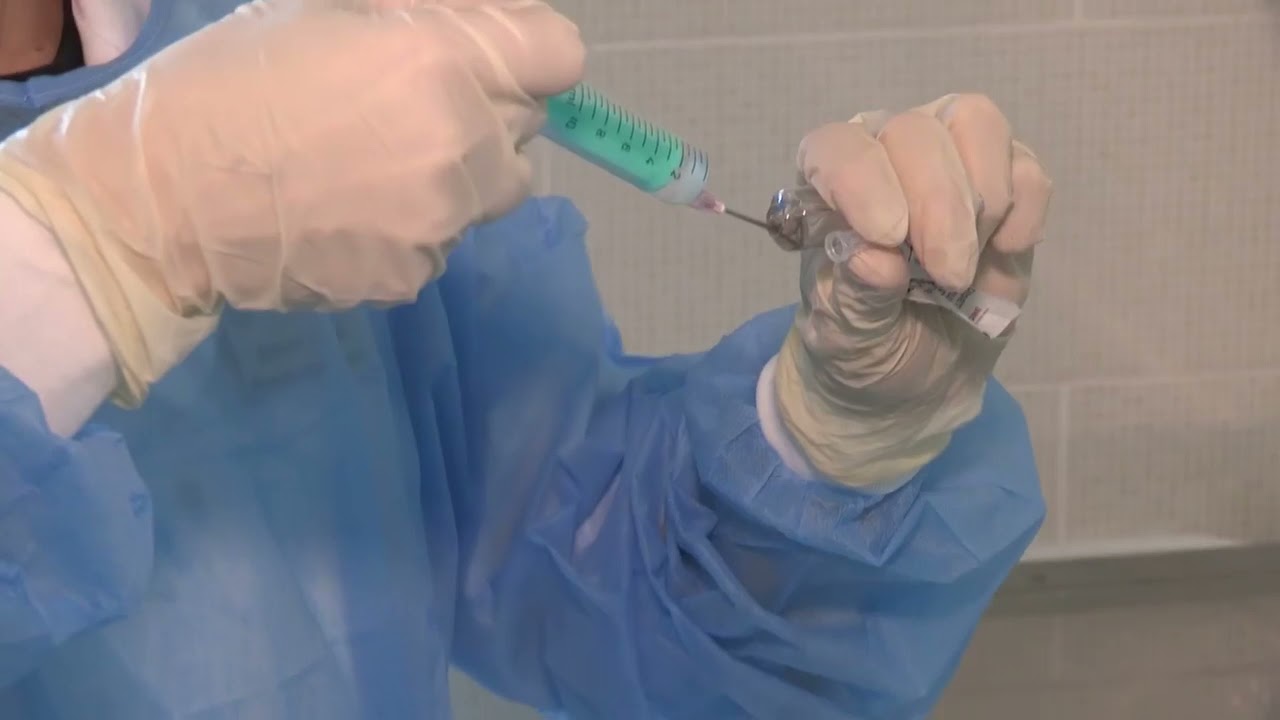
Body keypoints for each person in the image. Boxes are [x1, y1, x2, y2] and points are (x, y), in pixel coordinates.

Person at [0, 0, 1053, 717]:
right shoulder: (220, 112)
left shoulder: (253, 54)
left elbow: (567, 557)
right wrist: (68, 253)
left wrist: (822, 440)